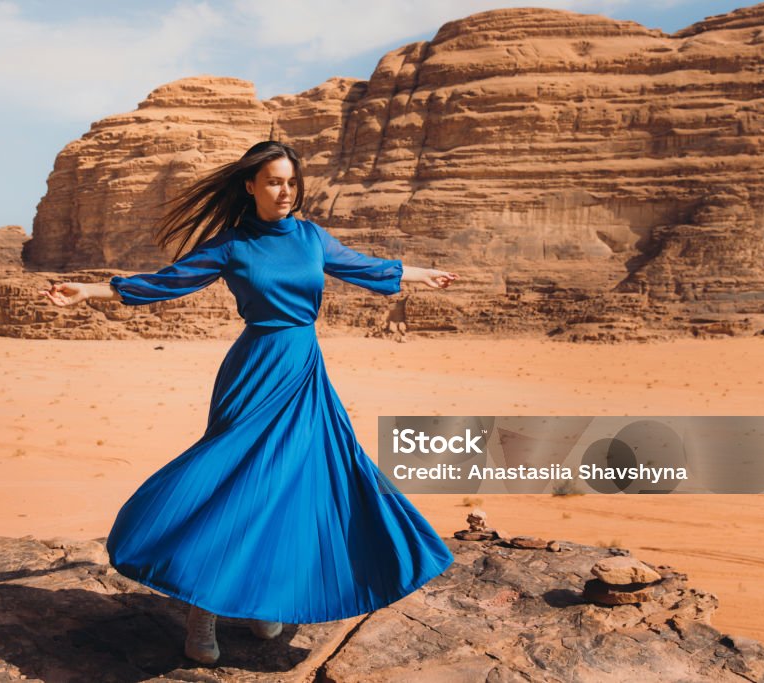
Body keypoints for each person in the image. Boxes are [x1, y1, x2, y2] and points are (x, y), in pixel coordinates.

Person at [41, 140, 457, 666]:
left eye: (291, 182)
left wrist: (421, 274)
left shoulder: (311, 238)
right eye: (273, 182)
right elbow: (167, 283)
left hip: (303, 369)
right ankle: (203, 612)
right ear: (250, 187)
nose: (285, 191)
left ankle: (266, 594)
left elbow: (368, 268)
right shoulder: (232, 245)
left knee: (297, 482)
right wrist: (90, 291)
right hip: (254, 371)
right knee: (236, 483)